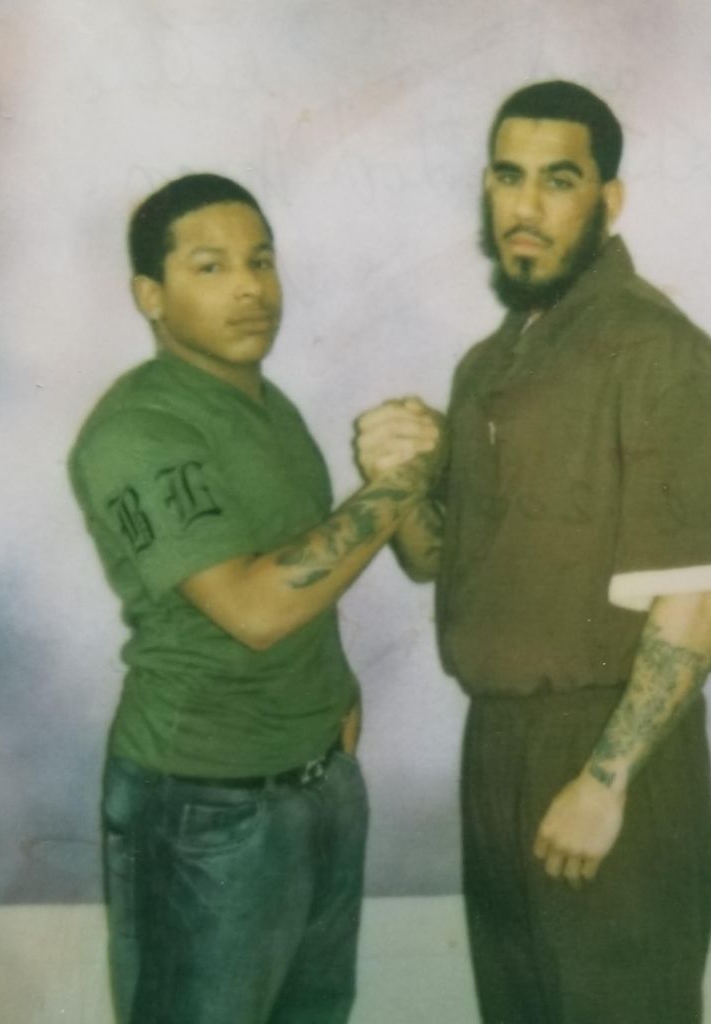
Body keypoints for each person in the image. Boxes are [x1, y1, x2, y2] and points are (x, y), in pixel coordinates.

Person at [356, 81, 711, 1024]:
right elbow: (436, 559)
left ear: (607, 199)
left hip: (611, 745)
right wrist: (401, 477)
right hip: (496, 745)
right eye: (509, 177)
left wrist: (605, 779)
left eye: (558, 180)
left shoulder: (656, 352)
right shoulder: (491, 365)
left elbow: (704, 598)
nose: (527, 206)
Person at [68, 173, 440, 1024]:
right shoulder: (138, 428)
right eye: (211, 266)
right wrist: (390, 489)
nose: (250, 288)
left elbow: (375, 565)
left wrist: (418, 467)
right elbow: (255, 610)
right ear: (150, 295)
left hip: (318, 785)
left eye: (261, 261)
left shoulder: (270, 409)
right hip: (202, 806)